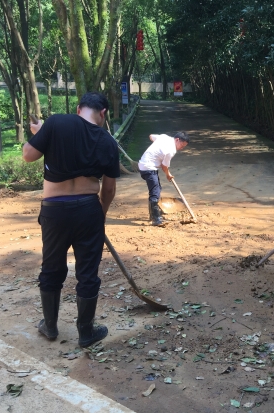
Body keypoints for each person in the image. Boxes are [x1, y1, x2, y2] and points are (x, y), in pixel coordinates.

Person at [23, 92, 119, 347]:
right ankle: (86, 332)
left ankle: (50, 326)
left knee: (52, 267)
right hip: (89, 209)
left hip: (54, 210)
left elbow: (28, 155)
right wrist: (100, 215)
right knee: (88, 272)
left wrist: (41, 133)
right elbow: (109, 190)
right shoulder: (107, 141)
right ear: (103, 113)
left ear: (78, 109)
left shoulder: (57, 123)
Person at [138, 132, 189, 226]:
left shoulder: (164, 137)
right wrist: (168, 175)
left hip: (145, 165)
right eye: (182, 145)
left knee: (157, 189)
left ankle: (153, 214)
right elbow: (164, 166)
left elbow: (151, 136)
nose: (182, 148)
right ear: (177, 140)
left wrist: (157, 147)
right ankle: (156, 219)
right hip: (148, 167)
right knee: (155, 191)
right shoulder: (171, 150)